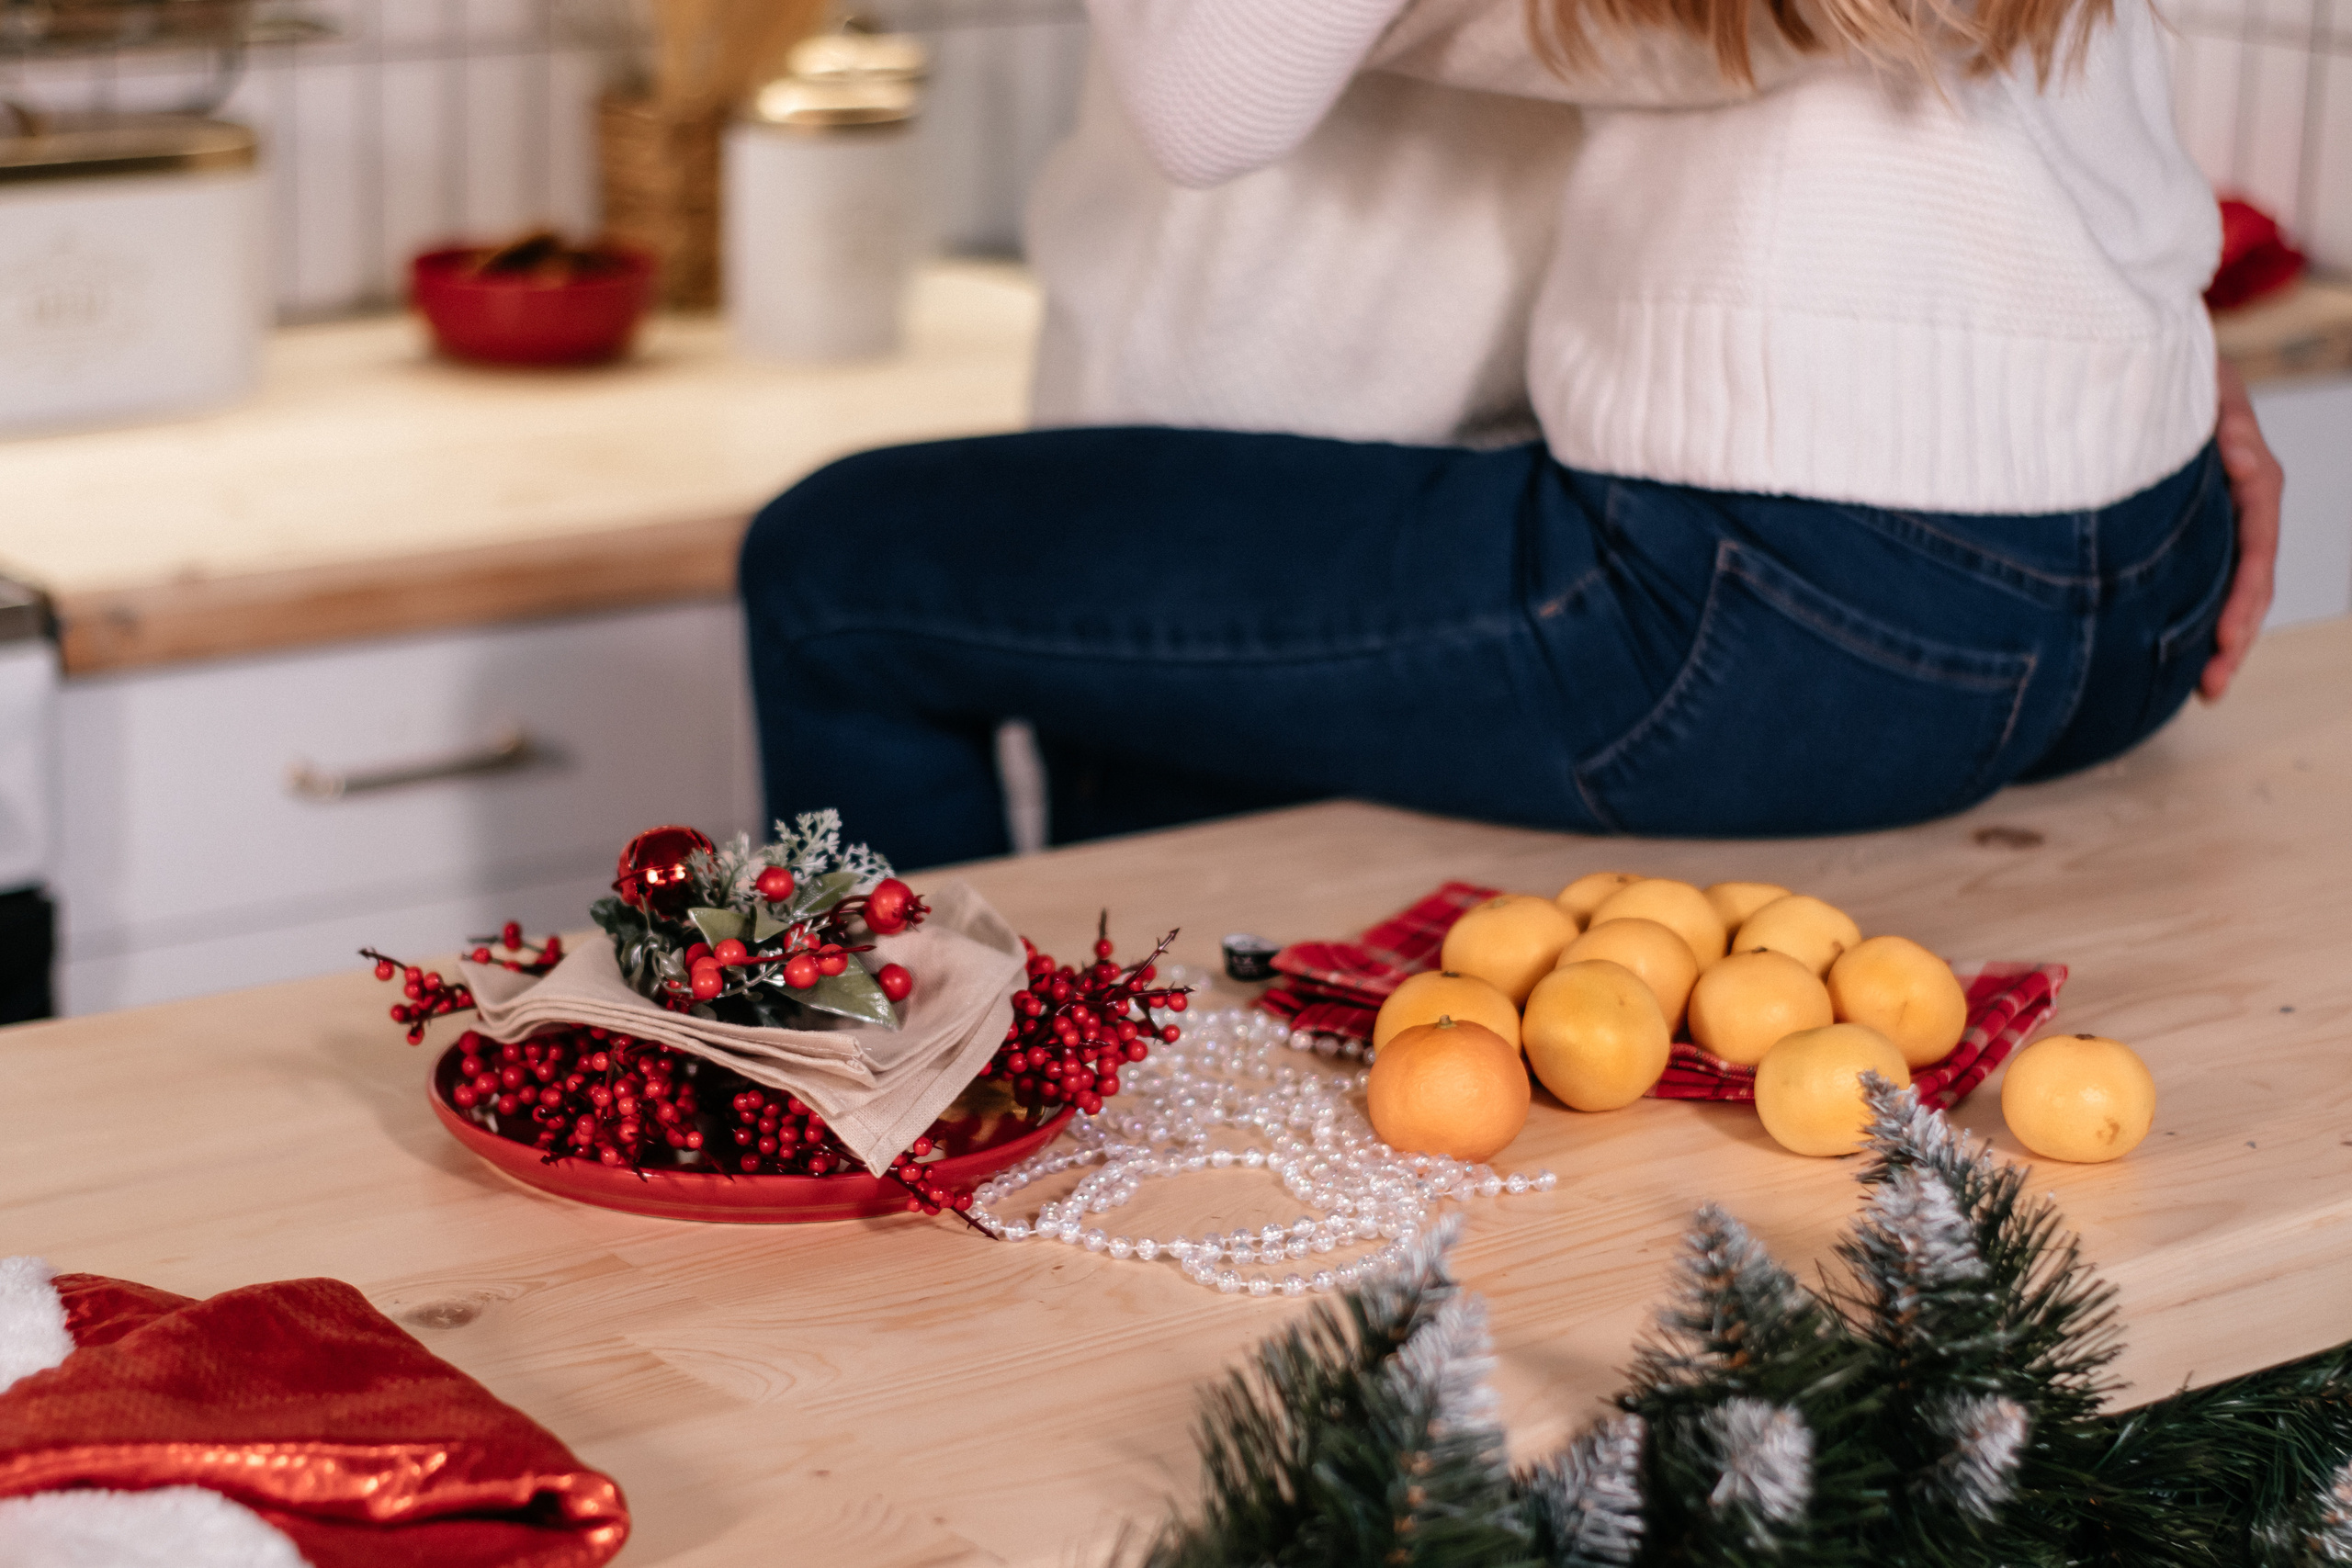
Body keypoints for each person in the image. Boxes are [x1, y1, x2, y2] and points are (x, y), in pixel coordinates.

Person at [740, 0, 2282, 870]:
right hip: (2141, 552)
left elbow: (1209, 90)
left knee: (836, 581)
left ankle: (901, 1149)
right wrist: (2133, 370)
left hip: (1764, 585)